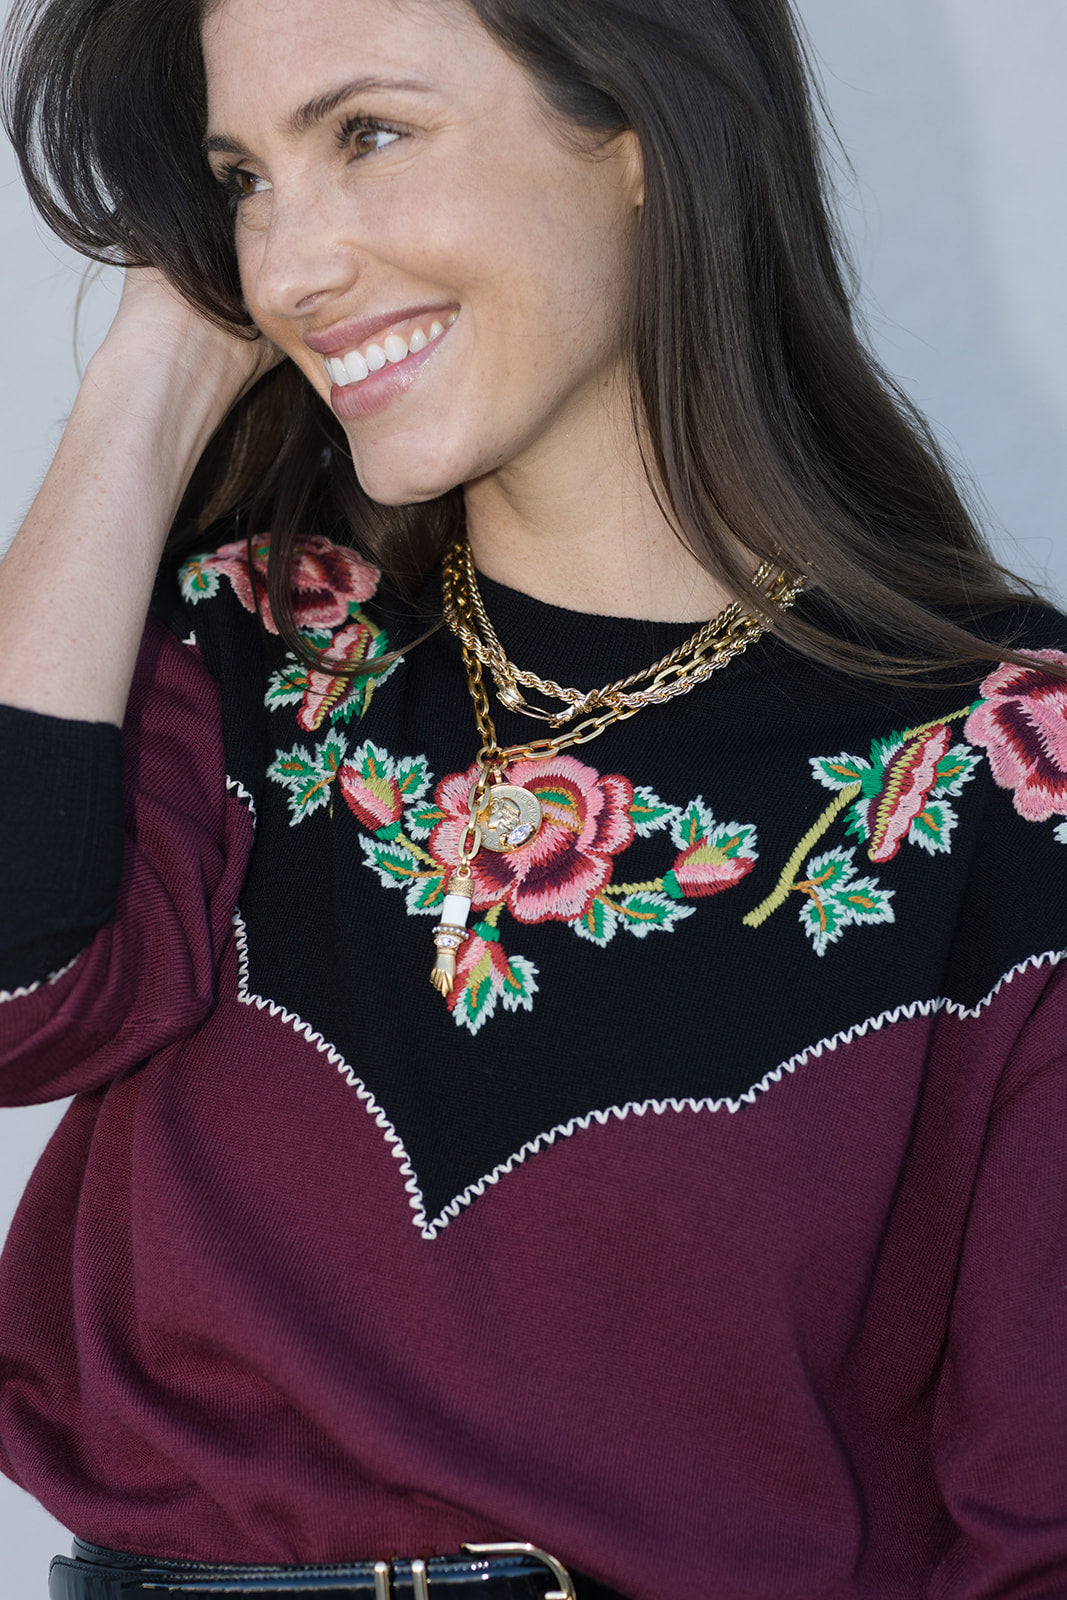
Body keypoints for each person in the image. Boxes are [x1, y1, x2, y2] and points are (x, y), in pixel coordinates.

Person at [1, 0, 1065, 1595]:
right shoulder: (253, 641)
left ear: (640, 126)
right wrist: (154, 367)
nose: (289, 265)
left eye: (367, 134)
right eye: (243, 178)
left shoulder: (1003, 766)